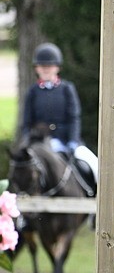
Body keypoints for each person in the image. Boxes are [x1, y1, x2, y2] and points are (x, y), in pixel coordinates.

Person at [20, 43, 99, 193]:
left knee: (95, 165)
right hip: (40, 144)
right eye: (42, 65)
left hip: (65, 141)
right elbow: (26, 123)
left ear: (57, 67)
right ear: (36, 68)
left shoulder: (67, 89)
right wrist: (27, 142)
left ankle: (93, 198)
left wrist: (72, 141)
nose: (46, 68)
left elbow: (74, 118)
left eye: (49, 65)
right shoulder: (32, 92)